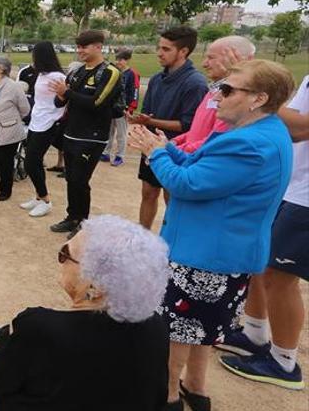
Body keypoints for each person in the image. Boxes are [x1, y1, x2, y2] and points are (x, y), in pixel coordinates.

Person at [128, 59, 294, 411]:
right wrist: (168, 147)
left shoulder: (248, 144)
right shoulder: (260, 132)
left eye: (229, 89)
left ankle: (168, 395)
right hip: (223, 254)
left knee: (174, 333)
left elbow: (187, 184)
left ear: (258, 99)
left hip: (203, 256)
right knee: (203, 329)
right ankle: (196, 388)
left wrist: (155, 154)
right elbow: (204, 166)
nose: (216, 94)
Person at [0, 215, 170, 410]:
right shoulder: (156, 327)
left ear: (95, 287)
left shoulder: (38, 327)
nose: (61, 261)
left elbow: (1, 377)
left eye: (65, 253)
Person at [216, 74, 309, 391]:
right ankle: (255, 333)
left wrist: (261, 96)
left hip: (306, 199)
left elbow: (301, 127)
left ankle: (284, 362)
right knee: (261, 264)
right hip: (293, 189)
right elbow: (292, 130)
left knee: (279, 276)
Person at [128, 27, 207, 230]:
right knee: (148, 192)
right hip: (152, 147)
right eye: (159, 47)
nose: (159, 53)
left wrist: (150, 122)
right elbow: (148, 113)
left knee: (172, 198)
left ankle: (171, 241)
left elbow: (187, 125)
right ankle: (142, 236)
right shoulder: (156, 79)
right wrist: (140, 122)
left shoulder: (195, 83)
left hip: (177, 150)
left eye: (166, 49)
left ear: (183, 51)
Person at [48, 30, 121, 235]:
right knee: (71, 178)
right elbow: (59, 101)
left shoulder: (109, 73)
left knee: (81, 180)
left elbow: (97, 103)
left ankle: (83, 222)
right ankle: (72, 217)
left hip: (92, 137)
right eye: (78, 46)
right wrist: (62, 95)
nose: (80, 50)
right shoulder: (77, 71)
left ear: (98, 47)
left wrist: (68, 93)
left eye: (84, 46)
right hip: (71, 133)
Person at [171, 36, 255, 153]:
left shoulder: (233, 99)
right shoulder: (214, 90)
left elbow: (215, 141)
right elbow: (198, 131)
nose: (204, 64)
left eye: (211, 58)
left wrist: (171, 151)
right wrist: (174, 142)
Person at [20, 41, 66, 218]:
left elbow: (62, 101)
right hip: (36, 121)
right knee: (32, 161)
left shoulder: (57, 76)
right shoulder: (42, 74)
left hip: (48, 123)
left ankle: (46, 200)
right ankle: (38, 196)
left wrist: (58, 112)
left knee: (32, 161)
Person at [0, 55, 30, 202]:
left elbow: (25, 109)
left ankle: (5, 190)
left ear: (1, 69)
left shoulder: (14, 87)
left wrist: (11, 121)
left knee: (6, 163)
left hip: (9, 131)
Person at [101, 49, 140, 166]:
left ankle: (120, 156)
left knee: (121, 134)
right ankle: (106, 152)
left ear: (127, 60)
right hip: (112, 107)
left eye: (121, 60)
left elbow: (135, 91)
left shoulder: (132, 74)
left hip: (123, 108)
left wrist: (130, 108)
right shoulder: (116, 72)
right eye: (117, 59)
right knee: (109, 131)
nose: (118, 62)